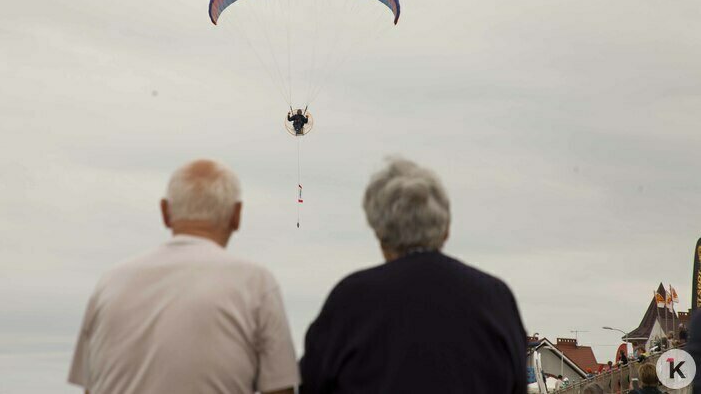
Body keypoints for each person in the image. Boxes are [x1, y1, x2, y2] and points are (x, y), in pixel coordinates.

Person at [68, 159, 299, 394]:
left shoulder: (109, 284)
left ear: (165, 212)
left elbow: (90, 387)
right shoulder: (257, 284)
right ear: (236, 215)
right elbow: (280, 390)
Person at [300, 158, 527, 393]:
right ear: (446, 228)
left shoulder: (350, 301)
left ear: (380, 233)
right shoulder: (496, 299)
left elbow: (311, 383)